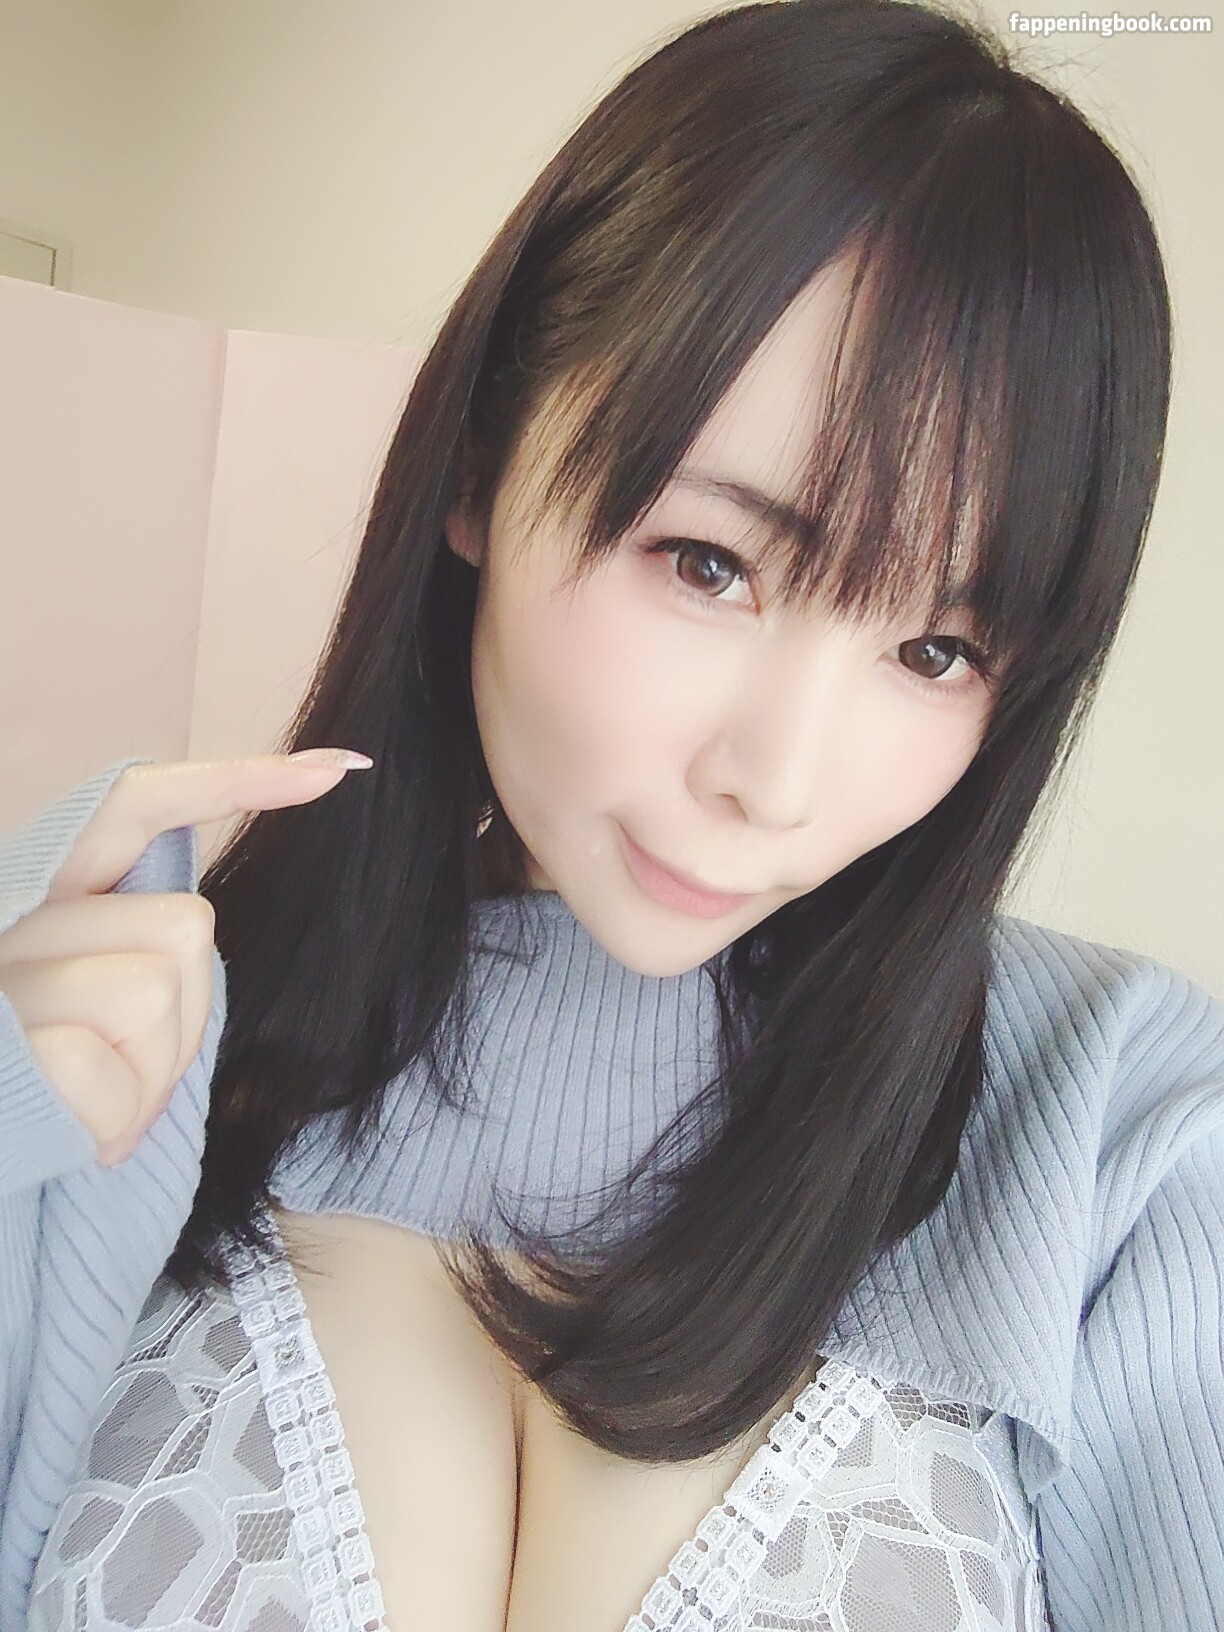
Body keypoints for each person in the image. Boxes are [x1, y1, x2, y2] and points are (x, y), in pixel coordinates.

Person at [1, 0, 1221, 1627]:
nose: (777, 782)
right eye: (708, 564)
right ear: (479, 464)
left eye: (937, 651)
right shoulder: (107, 1031)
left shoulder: (1122, 1134)